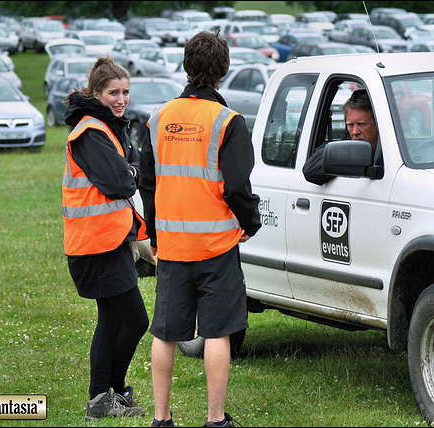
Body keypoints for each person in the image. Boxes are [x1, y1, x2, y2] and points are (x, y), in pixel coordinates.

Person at [138, 31, 261, 428]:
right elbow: (238, 186)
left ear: (186, 67)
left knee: (166, 333)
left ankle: (161, 419)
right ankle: (214, 419)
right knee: (217, 332)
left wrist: (156, 235)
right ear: (223, 70)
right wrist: (250, 224)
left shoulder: (158, 119)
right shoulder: (229, 122)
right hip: (216, 246)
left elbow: (148, 183)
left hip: (172, 245)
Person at [61, 56, 150, 422]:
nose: (122, 98)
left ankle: (106, 397)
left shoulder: (107, 128)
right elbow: (121, 181)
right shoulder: (90, 131)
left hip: (105, 241)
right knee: (135, 320)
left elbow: (131, 169)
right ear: (96, 94)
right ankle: (104, 394)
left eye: (126, 91)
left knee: (112, 321)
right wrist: (130, 170)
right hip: (95, 245)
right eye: (114, 92)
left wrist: (130, 169)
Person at [302, 89, 379, 185]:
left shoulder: (396, 150)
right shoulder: (342, 146)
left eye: (362, 124)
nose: (355, 132)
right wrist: (351, 156)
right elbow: (310, 170)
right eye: (350, 125)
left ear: (377, 124)